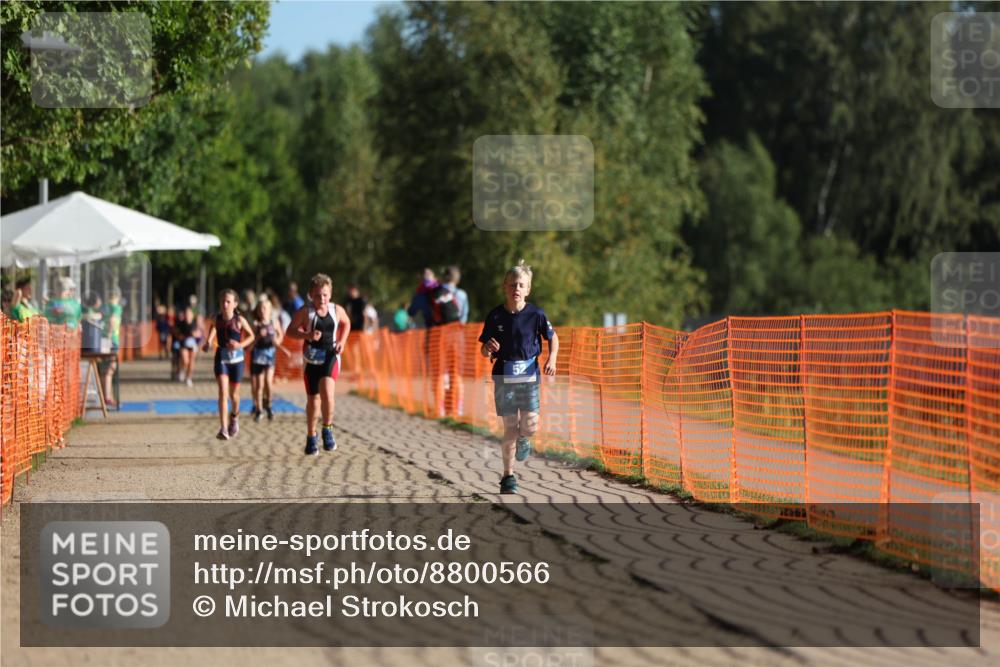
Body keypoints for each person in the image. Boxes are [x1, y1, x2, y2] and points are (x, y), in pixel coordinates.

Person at [478, 260, 559, 494]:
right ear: (505, 287)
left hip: (530, 377)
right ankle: (508, 477)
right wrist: (488, 348)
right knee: (510, 428)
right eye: (512, 284)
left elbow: (553, 338)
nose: (516, 288)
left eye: (521, 285)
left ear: (528, 289)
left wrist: (552, 358)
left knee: (530, 426)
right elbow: (484, 349)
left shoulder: (536, 314)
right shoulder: (495, 316)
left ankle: (526, 438)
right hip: (504, 377)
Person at [285, 273, 350, 456]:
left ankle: (327, 429)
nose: (321, 299)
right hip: (311, 359)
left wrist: (342, 342)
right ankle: (311, 436)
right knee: (314, 400)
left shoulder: (336, 310)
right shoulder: (305, 312)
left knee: (328, 395)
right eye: (317, 295)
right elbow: (290, 331)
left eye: (325, 295)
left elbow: (346, 323)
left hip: (331, 356)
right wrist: (306, 336)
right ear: (310, 295)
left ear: (330, 294)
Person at [203, 289, 255, 441]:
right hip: (221, 358)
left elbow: (252, 336)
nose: (225, 304)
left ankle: (235, 417)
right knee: (223, 393)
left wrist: (240, 345)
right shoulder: (215, 318)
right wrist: (208, 341)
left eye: (228, 302)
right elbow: (213, 326)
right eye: (222, 301)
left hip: (237, 361)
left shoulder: (239, 320)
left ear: (235, 304)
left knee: (234, 395)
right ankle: (223, 428)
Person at [250, 297, 284, 423]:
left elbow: (280, 335)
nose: (263, 310)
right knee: (259, 385)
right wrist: (259, 335)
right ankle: (259, 410)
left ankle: (268, 405)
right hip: (258, 356)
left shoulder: (274, 322)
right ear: (258, 311)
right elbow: (251, 340)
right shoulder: (255, 324)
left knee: (268, 383)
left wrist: (277, 340)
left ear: (270, 310)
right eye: (261, 308)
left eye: (266, 308)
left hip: (270, 355)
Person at [172, 305, 199, 386]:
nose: (187, 315)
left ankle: (189, 378)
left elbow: (199, 334)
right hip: (183, 344)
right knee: (185, 361)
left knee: (191, 362)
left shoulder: (195, 323)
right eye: (186, 314)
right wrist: (179, 336)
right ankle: (182, 370)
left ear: (192, 315)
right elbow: (175, 332)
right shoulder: (181, 323)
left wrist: (196, 335)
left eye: (189, 314)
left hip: (193, 345)